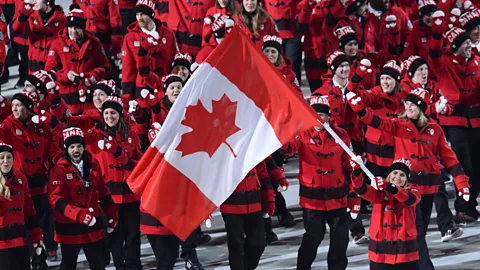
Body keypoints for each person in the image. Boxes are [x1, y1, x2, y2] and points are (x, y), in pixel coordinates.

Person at [347, 87, 470, 269]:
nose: (408, 107)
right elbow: (376, 121)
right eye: (407, 103)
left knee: (418, 232)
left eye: (413, 105)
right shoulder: (399, 124)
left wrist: (461, 181)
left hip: (427, 189)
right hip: (402, 189)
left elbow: (448, 156)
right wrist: (360, 109)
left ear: (421, 108)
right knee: (415, 232)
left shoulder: (435, 129)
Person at [280, 95, 350, 270]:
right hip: (312, 199)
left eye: (323, 115)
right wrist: (280, 133)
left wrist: (354, 196)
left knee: (340, 238)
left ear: (329, 116)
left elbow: (349, 166)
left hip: (337, 196)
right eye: (315, 114)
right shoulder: (302, 133)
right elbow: (288, 149)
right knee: (314, 236)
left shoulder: (341, 135)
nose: (319, 118)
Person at [429, 11, 480, 221]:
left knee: (478, 167)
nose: (469, 46)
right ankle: (462, 207)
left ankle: (469, 205)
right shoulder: (445, 64)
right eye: (464, 43)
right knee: (464, 167)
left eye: (469, 42)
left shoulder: (477, 61)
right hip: (456, 123)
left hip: (476, 121)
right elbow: (433, 53)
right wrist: (437, 30)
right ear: (455, 46)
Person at [0, 91, 61, 266]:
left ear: (28, 107)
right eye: (13, 106)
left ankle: (41, 259)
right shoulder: (7, 125)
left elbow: (54, 150)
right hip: (18, 187)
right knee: (24, 227)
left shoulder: (41, 126)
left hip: (40, 185)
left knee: (39, 224)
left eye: (19, 105)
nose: (15, 109)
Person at [83, 95, 143, 270]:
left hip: (130, 192)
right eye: (107, 113)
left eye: (113, 113)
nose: (110, 117)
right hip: (108, 194)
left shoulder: (130, 135)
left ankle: (133, 265)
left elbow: (139, 162)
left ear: (120, 115)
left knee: (132, 233)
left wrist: (123, 157)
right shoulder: (94, 135)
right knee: (114, 233)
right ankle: (119, 265)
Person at [48, 127, 118, 270]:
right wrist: (77, 214)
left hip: (92, 224)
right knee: (68, 265)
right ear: (66, 149)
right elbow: (55, 199)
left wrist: (112, 212)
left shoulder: (94, 164)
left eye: (79, 146)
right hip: (69, 227)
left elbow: (103, 191)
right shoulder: (58, 170)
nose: (76, 150)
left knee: (100, 263)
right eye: (72, 146)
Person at [351, 157, 421, 270]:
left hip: (405, 252)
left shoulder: (414, 191)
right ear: (389, 175)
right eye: (395, 173)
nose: (397, 177)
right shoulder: (378, 192)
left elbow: (409, 200)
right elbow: (361, 190)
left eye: (402, 175)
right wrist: (357, 172)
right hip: (380, 251)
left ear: (407, 179)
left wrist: (389, 186)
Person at [44, 7, 111, 115]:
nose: (73, 31)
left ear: (83, 28)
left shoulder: (94, 43)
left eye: (76, 28)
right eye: (70, 27)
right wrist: (66, 75)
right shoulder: (57, 44)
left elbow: (106, 67)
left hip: (90, 99)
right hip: (68, 100)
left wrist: (95, 74)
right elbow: (49, 70)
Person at [220, 160, 275, 270]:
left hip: (254, 201)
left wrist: (269, 199)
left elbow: (262, 172)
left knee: (258, 244)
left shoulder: (252, 144)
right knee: (236, 247)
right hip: (231, 205)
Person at [121, 0, 177, 105]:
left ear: (151, 14)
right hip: (142, 89)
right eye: (137, 14)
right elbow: (128, 69)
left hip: (164, 87)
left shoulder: (168, 34)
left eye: (142, 14)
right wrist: (127, 97)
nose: (139, 18)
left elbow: (174, 60)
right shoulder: (130, 38)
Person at [0, 143, 45, 270]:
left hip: (21, 239)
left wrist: (36, 237)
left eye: (9, 157)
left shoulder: (20, 177)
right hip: (2, 243)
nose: (5, 161)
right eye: (1, 157)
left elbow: (29, 210)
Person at [12, 0, 65, 73]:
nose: (34, 1)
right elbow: (15, 32)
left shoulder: (61, 18)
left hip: (53, 64)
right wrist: (23, 15)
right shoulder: (31, 16)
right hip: (34, 65)